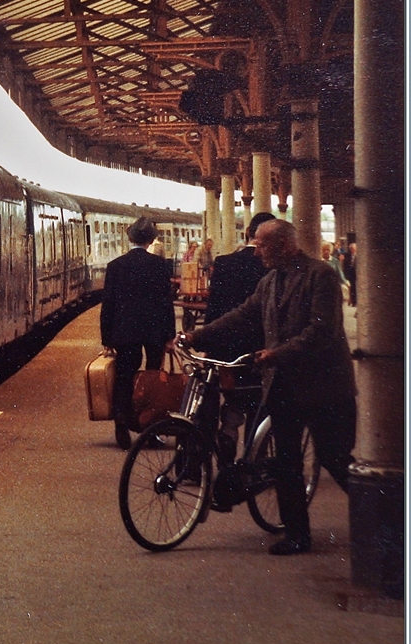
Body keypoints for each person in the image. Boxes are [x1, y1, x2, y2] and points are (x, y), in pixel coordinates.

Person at [182, 219, 355, 555]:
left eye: (262, 245)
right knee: (287, 461)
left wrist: (277, 353)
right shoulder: (270, 281)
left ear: (285, 245)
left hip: (324, 388)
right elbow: (242, 315)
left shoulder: (320, 276)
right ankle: (297, 535)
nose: (256, 251)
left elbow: (322, 330)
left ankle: (388, 518)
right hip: (284, 385)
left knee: (335, 459)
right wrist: (197, 336)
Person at [202, 212, 276, 462]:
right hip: (261, 347)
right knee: (257, 400)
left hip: (227, 346)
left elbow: (214, 308)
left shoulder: (224, 263)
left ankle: (229, 432)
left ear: (247, 234)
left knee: (232, 395)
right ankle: (253, 459)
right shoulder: (272, 266)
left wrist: (207, 342)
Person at [100, 216, 176, 450]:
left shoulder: (115, 266)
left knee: (124, 376)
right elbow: (166, 303)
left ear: (130, 238)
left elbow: (108, 304)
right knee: (152, 376)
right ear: (151, 240)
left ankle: (121, 421)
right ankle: (150, 427)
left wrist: (107, 338)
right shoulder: (160, 265)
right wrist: (169, 336)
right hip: (154, 331)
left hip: (125, 330)